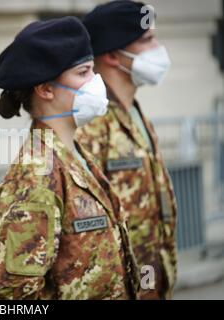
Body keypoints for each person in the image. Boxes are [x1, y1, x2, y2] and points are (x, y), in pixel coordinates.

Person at [0, 16, 140, 300]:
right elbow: (9, 291)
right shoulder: (38, 173)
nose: (95, 82)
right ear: (46, 89)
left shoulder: (75, 154)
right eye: (83, 72)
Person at [75, 0, 177, 299]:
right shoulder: (92, 122)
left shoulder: (134, 111)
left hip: (153, 279)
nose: (158, 48)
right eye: (147, 40)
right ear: (112, 56)